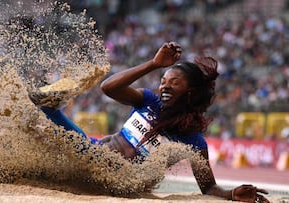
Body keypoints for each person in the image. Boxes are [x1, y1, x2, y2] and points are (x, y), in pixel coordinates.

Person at [28, 42, 269, 203]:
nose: (164, 85)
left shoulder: (193, 141)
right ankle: (42, 103)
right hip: (92, 152)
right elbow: (109, 88)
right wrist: (153, 64)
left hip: (117, 179)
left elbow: (208, 188)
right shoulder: (148, 101)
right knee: (43, 122)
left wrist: (231, 194)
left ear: (191, 92)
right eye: (163, 80)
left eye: (174, 82)